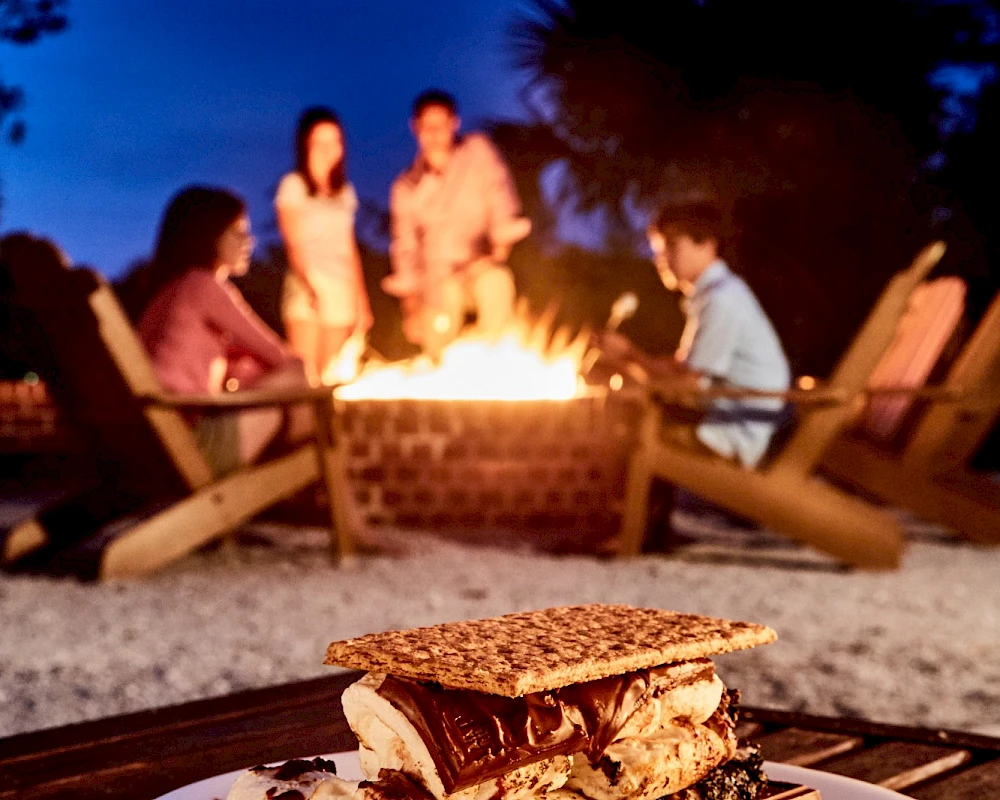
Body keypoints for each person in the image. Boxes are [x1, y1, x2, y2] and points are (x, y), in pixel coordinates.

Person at [599, 203, 791, 550]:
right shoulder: (715, 296)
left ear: (707, 245)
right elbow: (682, 369)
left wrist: (629, 358)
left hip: (737, 428)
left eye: (672, 247)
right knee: (630, 405)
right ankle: (643, 526)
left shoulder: (723, 300)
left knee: (626, 418)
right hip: (733, 414)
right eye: (658, 251)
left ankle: (629, 528)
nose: (662, 260)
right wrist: (631, 360)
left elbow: (688, 383)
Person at [139, 186, 308, 474]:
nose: (249, 241)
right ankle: (307, 482)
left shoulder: (169, 291)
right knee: (297, 375)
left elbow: (227, 359)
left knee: (279, 379)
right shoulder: (204, 285)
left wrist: (245, 370)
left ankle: (303, 483)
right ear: (208, 236)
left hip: (154, 445)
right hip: (191, 447)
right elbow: (278, 355)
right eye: (238, 231)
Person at [384, 89, 531, 357]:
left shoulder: (478, 152)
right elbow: (404, 249)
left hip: (478, 267)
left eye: (441, 125)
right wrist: (411, 308)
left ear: (455, 123)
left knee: (497, 282)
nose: (435, 134)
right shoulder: (405, 188)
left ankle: (495, 364)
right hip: (436, 282)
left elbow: (500, 200)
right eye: (427, 126)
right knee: (437, 341)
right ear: (414, 127)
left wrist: (496, 253)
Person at [275, 107, 373, 384]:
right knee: (305, 378)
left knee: (332, 379)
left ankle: (327, 429)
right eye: (320, 142)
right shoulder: (292, 185)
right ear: (306, 144)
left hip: (341, 291)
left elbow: (349, 248)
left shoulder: (345, 192)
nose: (328, 149)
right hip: (308, 289)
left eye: (335, 141)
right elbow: (293, 243)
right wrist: (308, 285)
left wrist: (361, 301)